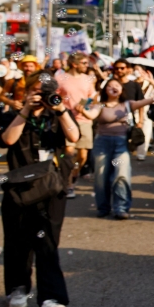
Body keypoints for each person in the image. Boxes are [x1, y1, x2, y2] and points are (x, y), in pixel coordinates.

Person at [0, 72, 80, 307]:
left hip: (50, 188)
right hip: (18, 187)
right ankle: (18, 287)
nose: (42, 95)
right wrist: (25, 109)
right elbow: (9, 139)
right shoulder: (16, 113)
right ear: (26, 91)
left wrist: (60, 109)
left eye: (46, 91)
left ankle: (51, 300)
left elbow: (74, 137)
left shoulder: (56, 114)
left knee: (46, 243)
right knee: (16, 240)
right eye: (37, 90)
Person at [80, 77, 154, 220]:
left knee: (121, 174)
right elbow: (91, 114)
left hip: (121, 144)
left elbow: (145, 101)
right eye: (110, 86)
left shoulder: (127, 104)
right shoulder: (101, 105)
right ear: (105, 90)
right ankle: (103, 208)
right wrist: (83, 108)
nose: (113, 87)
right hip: (102, 144)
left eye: (117, 85)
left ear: (122, 90)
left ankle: (121, 208)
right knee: (101, 176)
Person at [55, 53, 97, 198]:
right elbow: (55, 96)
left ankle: (73, 176)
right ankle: (68, 184)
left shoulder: (87, 79)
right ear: (74, 64)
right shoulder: (61, 78)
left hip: (84, 119)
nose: (87, 66)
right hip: (68, 119)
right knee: (68, 152)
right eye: (84, 63)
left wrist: (84, 104)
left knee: (83, 156)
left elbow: (93, 95)